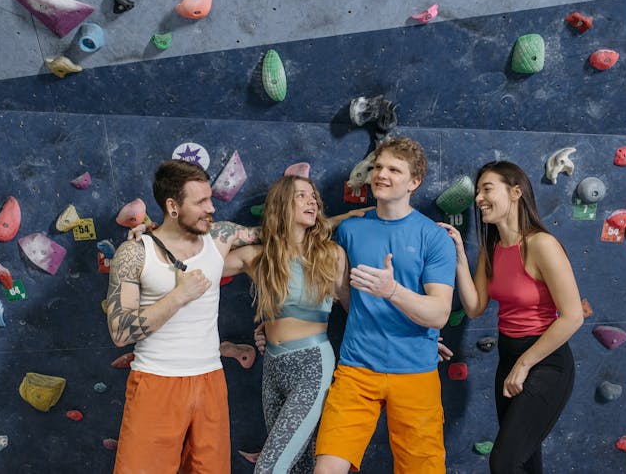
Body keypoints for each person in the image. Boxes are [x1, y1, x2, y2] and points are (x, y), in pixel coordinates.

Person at [105, 159, 261, 474]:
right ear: (173, 206)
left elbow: (284, 233)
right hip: (156, 382)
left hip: (210, 382)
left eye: (211, 199)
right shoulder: (136, 252)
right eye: (201, 201)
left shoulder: (220, 237)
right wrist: (178, 296)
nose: (211, 208)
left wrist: (352, 217)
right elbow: (120, 333)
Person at [314, 137, 456, 474]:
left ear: (414, 182)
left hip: (416, 373)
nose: (381, 174)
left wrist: (392, 292)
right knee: (326, 469)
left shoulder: (433, 237)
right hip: (356, 370)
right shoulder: (350, 230)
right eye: (378, 167)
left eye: (394, 169)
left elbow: (439, 312)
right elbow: (350, 298)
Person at [438, 160, 583, 474]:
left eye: (487, 189)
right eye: (477, 191)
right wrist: (461, 257)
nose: (478, 198)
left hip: (546, 362)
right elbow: (475, 307)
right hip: (509, 357)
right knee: (526, 462)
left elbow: (572, 317)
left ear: (516, 192)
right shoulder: (491, 249)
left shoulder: (541, 244)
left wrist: (524, 364)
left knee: (504, 462)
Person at [225, 175, 355, 473]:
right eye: (301, 196)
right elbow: (199, 264)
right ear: (282, 205)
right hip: (272, 366)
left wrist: (412, 337)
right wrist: (154, 238)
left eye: (314, 197)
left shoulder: (330, 256)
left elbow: (358, 314)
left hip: (312, 366)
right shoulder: (257, 257)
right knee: (299, 467)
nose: (312, 201)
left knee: (269, 468)